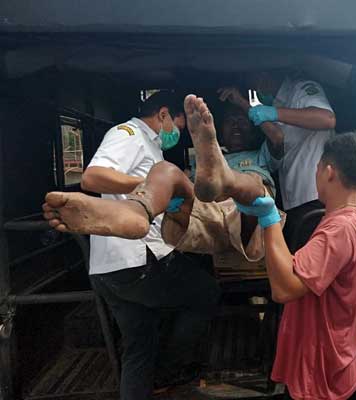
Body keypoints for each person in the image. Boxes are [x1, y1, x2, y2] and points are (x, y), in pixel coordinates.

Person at [42, 91, 222, 400]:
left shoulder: (151, 146)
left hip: (109, 271)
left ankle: (152, 382)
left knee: (138, 346)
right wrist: (152, 189)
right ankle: (173, 370)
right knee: (206, 292)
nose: (177, 133)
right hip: (138, 258)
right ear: (163, 114)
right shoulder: (129, 133)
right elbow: (93, 176)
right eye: (178, 123)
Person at [42, 98, 281, 264]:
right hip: (207, 216)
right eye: (231, 121)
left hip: (250, 215)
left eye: (242, 121)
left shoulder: (260, 153)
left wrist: (245, 102)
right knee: (165, 171)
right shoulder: (136, 136)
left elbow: (278, 138)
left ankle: (227, 181)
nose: (237, 126)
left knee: (253, 184)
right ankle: (139, 209)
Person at [236, 133, 356, 400]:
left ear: (329, 172)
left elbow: (284, 289)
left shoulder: (339, 229)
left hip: (320, 375)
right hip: (334, 363)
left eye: (317, 168)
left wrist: (270, 218)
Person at [219, 70, 336, 248]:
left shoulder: (301, 90)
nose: (256, 92)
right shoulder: (277, 103)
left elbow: (327, 119)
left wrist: (272, 112)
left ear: (263, 76)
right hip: (293, 202)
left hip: (314, 198)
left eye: (254, 86)